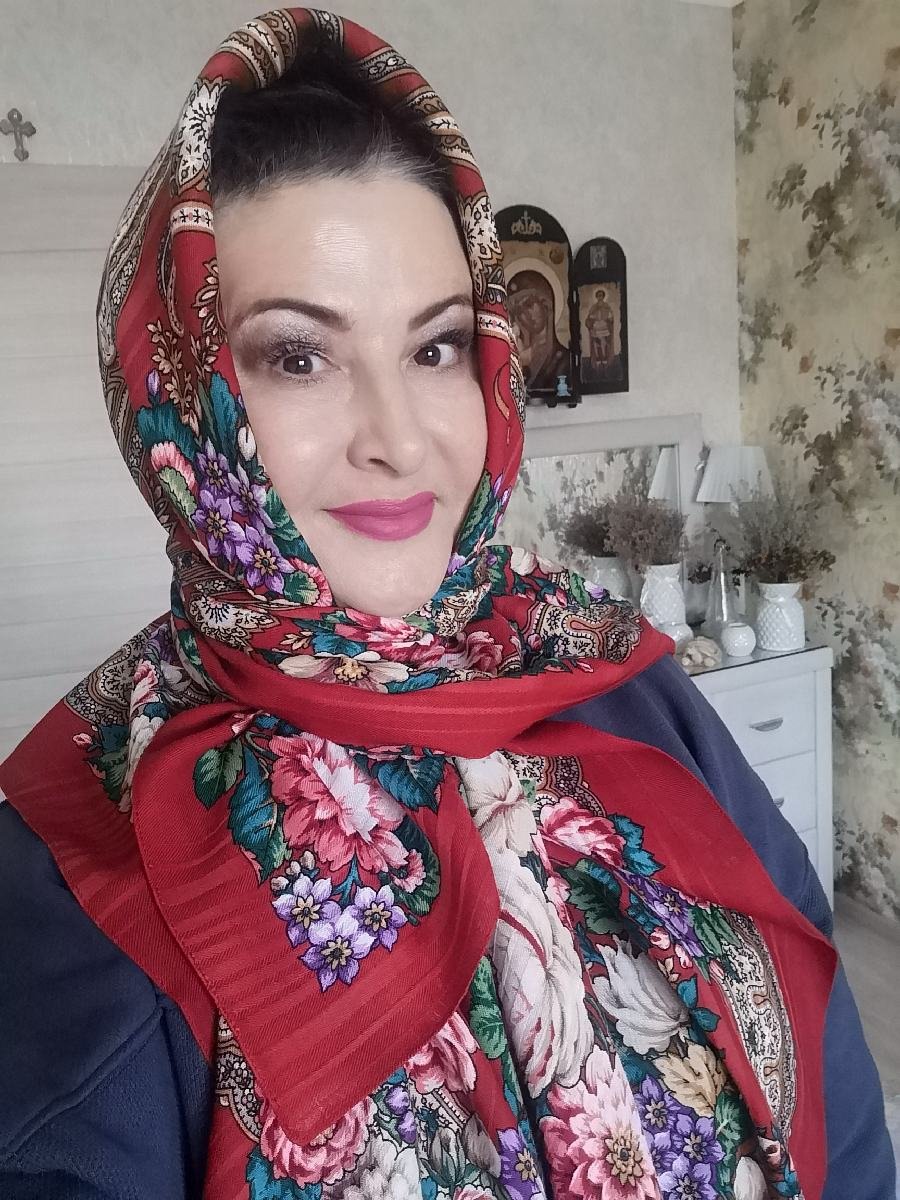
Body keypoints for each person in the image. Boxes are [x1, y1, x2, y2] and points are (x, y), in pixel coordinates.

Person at [0, 9, 894, 1199]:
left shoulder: (619, 681)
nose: (401, 439)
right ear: (180, 395)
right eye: (298, 356)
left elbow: (835, 1090)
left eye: (435, 349)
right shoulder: (74, 874)